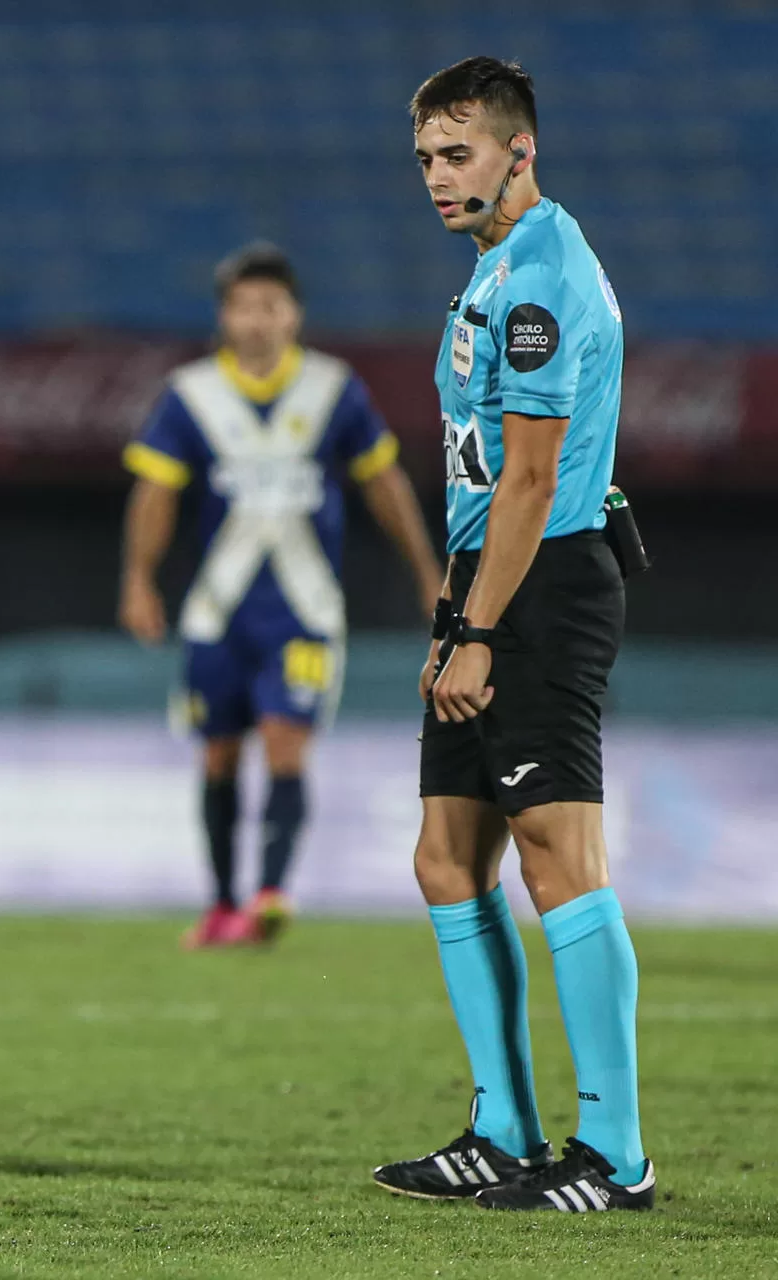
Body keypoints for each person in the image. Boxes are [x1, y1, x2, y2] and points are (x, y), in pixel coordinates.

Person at [371, 57, 653, 1212]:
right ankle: (501, 1128)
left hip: (541, 587)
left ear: (518, 151)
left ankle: (615, 1157)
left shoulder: (537, 282)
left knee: (556, 856)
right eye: (428, 158)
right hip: (486, 590)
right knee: (448, 853)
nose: (440, 177)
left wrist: (481, 628)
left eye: (460, 154)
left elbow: (532, 483)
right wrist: (452, 615)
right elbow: (478, 478)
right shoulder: (496, 270)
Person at [119, 243, 444, 948]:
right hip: (218, 613)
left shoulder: (333, 390)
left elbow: (382, 485)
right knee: (218, 755)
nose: (258, 320)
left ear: (294, 315)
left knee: (284, 741)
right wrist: (139, 579)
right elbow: (155, 494)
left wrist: (426, 568)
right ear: (226, 318)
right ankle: (222, 902)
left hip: (303, 610)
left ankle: (270, 892)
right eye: (244, 307)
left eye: (271, 306)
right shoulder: (192, 394)